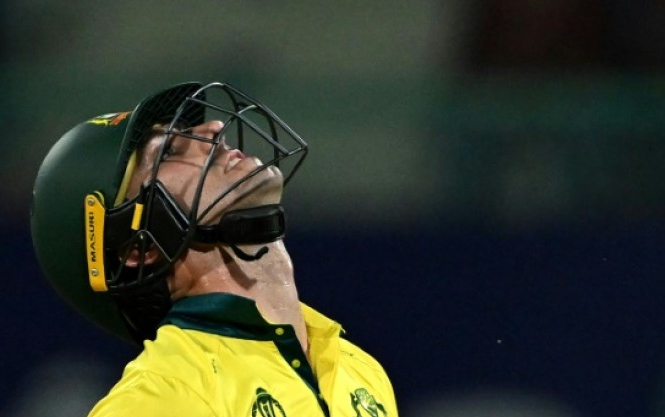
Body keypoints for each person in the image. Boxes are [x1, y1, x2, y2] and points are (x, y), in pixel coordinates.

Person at [30, 81, 397, 417]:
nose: (215, 130)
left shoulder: (357, 366)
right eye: (171, 150)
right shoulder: (160, 397)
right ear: (139, 247)